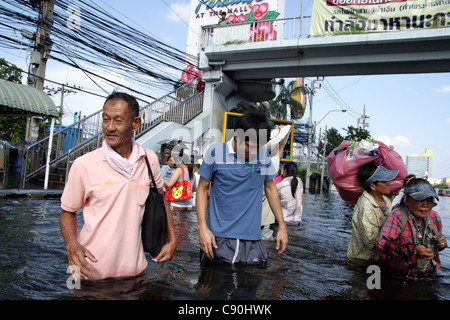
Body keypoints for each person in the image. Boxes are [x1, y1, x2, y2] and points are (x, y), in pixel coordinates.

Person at [59, 92, 177, 280]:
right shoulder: (83, 165)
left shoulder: (149, 160)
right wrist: (72, 245)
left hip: (134, 271)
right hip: (86, 271)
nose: (110, 127)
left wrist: (172, 240)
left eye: (118, 121)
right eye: (106, 120)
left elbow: (162, 200)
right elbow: (67, 212)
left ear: (135, 124)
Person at [196, 109, 288, 267]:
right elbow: (202, 189)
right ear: (237, 136)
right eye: (249, 146)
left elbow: (270, 188)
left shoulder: (263, 155)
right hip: (218, 238)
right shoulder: (215, 153)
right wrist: (202, 226)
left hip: (253, 239)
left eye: (257, 147)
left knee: (251, 284)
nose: (253, 152)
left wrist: (282, 227)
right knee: (215, 285)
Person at [376, 176, 447, 277]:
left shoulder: (434, 217)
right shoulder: (398, 216)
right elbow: (381, 243)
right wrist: (413, 250)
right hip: (398, 275)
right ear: (407, 200)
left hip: (428, 273)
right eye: (420, 200)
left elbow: (436, 247)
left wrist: (441, 244)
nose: (425, 205)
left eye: (429, 199)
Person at [347, 162, 399, 264]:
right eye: (385, 181)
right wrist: (391, 219)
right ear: (373, 186)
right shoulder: (365, 206)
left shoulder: (385, 199)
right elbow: (370, 240)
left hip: (378, 258)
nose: (389, 183)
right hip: (363, 261)